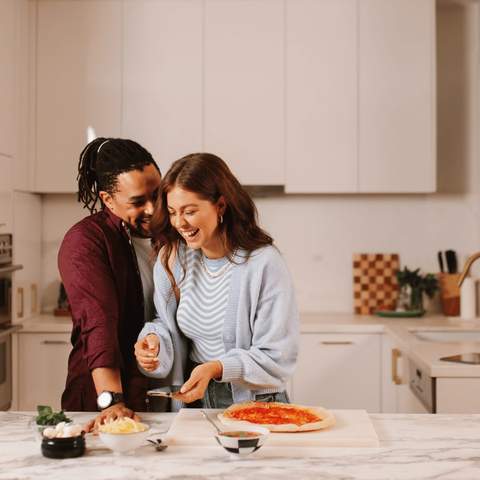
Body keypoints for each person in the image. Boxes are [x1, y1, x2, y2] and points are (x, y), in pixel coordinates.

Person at [134, 153, 299, 409]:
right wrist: (153, 341)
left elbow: (278, 358)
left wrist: (217, 368)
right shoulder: (173, 258)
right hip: (195, 401)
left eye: (189, 211)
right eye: (172, 212)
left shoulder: (263, 263)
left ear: (220, 206)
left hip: (257, 404)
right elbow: (164, 322)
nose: (179, 223)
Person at [58, 137, 161, 429]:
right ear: (108, 199)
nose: (153, 209)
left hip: (158, 395)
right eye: (138, 201)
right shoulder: (86, 241)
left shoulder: (170, 235)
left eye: (157, 194)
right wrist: (112, 400)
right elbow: (98, 321)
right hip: (105, 402)